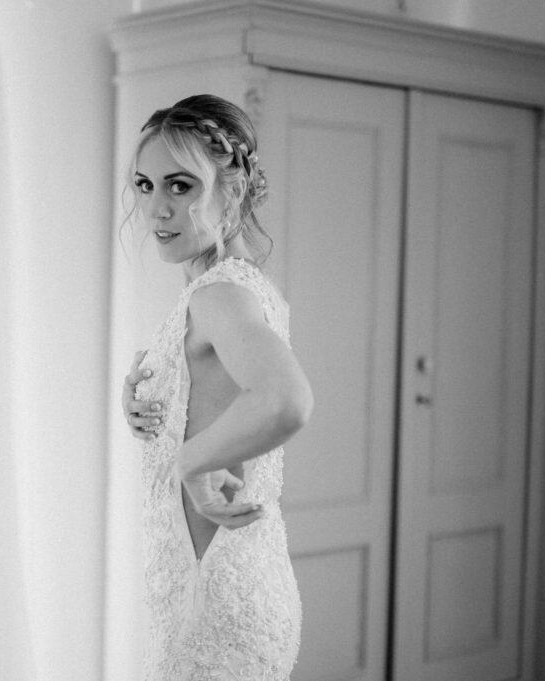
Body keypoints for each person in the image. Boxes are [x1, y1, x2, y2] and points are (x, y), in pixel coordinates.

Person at [119, 94, 314, 681]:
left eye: (181, 186)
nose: (157, 208)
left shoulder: (218, 294)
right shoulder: (237, 288)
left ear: (232, 192)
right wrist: (147, 399)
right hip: (222, 585)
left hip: (218, 605)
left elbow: (285, 400)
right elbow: (215, 399)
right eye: (144, 184)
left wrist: (189, 461)